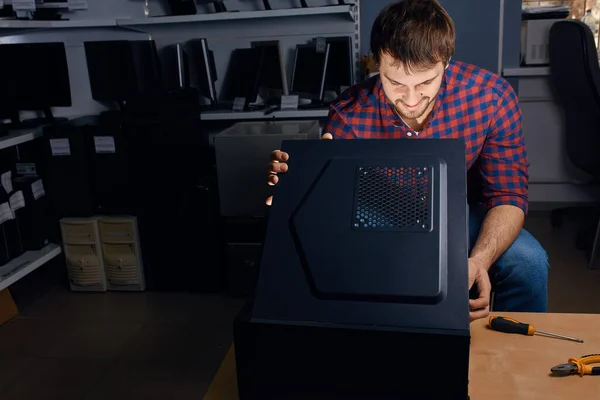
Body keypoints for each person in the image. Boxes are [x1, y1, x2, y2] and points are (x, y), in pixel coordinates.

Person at [266, 0, 549, 322]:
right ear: (377, 63)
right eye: (395, 83)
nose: (411, 100)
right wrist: (298, 190)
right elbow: (336, 211)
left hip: (461, 212)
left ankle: (515, 354)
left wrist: (479, 261)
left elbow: (508, 196)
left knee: (528, 263)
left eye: (426, 82)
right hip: (382, 214)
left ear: (446, 62)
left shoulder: (492, 97)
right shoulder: (348, 115)